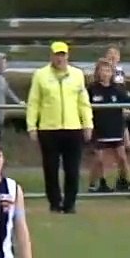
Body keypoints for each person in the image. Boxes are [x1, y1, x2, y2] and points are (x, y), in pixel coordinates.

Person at [26, 41, 93, 213]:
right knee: (50, 168)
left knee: (72, 169)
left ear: (67, 56)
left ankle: (70, 204)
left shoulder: (77, 75)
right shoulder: (40, 75)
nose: (59, 58)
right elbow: (34, 102)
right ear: (51, 56)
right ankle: (55, 203)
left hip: (72, 128)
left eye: (62, 54)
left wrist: (87, 124)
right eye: (57, 54)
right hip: (49, 129)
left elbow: (83, 102)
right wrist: (32, 126)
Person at [86, 58, 130, 193]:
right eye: (102, 70)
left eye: (108, 71)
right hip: (99, 129)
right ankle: (94, 184)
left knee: (122, 157)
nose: (105, 73)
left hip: (115, 128)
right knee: (99, 159)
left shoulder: (117, 89)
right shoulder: (92, 89)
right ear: (98, 72)